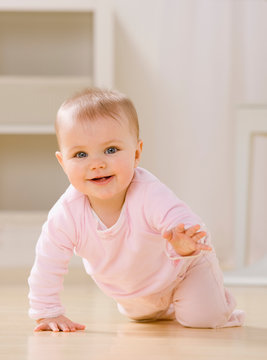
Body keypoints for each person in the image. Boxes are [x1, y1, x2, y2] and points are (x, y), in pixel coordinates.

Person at [28, 88, 244, 332]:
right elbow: (47, 263)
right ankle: (170, 306)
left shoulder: (148, 192)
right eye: (80, 154)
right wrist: (47, 312)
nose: (97, 163)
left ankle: (219, 302)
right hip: (135, 294)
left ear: (137, 153)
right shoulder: (66, 214)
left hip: (184, 269)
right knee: (144, 318)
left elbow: (179, 218)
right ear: (63, 162)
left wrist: (184, 243)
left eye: (111, 150)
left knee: (201, 319)